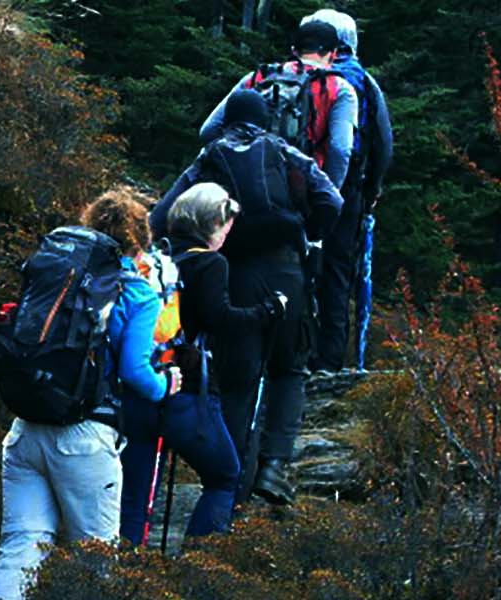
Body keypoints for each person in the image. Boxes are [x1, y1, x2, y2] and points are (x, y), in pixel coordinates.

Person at [0, 188, 172, 599]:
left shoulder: (59, 274)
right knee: (96, 561)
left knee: (21, 548)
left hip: (27, 430)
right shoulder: (137, 293)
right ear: (139, 239)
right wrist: (167, 386)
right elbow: (136, 372)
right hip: (84, 439)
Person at [155, 90, 340, 509]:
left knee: (238, 381)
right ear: (265, 119)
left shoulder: (210, 157)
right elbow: (332, 198)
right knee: (289, 369)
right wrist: (308, 235)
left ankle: (229, 487)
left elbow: (165, 213)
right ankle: (274, 467)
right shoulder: (283, 151)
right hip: (287, 272)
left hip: (233, 273)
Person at [121, 183, 286, 542]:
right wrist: (267, 312)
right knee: (225, 474)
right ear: (212, 221)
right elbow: (219, 319)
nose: (228, 231)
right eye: (226, 223)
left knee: (135, 496)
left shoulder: (156, 259)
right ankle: (197, 569)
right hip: (187, 392)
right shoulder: (210, 263)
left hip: (142, 386)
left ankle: (118, 574)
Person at [300, 8, 396, 374]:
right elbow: (382, 145)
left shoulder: (287, 76)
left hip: (290, 188)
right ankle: (329, 361)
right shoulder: (362, 82)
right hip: (343, 191)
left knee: (292, 267)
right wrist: (371, 191)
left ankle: (287, 354)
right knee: (337, 274)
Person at [198, 20, 359, 189]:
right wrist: (328, 195)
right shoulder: (339, 89)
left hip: (243, 184)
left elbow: (209, 130)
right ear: (333, 54)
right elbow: (340, 149)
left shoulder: (257, 77)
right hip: (298, 189)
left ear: (294, 50)